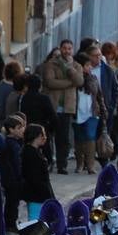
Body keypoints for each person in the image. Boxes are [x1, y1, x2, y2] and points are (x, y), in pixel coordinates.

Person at [42, 40, 84, 174]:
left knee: (63, 138)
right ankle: (48, 161)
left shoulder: (76, 66)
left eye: (69, 48)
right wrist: (69, 83)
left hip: (67, 107)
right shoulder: (51, 64)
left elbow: (79, 81)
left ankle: (62, 164)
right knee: (48, 136)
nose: (67, 51)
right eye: (64, 48)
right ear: (60, 49)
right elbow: (50, 82)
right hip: (52, 106)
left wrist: (69, 68)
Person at [20, 124, 53, 221]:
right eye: (42, 135)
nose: (44, 137)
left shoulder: (33, 151)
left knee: (38, 219)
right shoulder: (31, 153)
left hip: (37, 192)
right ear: (35, 136)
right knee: (35, 220)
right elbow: (34, 177)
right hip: (36, 193)